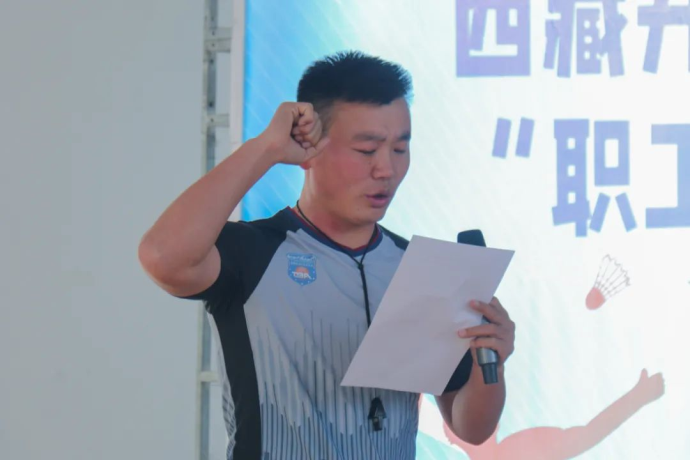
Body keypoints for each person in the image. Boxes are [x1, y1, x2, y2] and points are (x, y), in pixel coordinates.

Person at [138, 50, 516, 460]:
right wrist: (266, 147)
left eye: (400, 149)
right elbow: (162, 256)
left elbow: (470, 426)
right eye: (367, 150)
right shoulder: (255, 251)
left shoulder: (419, 269)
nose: (386, 170)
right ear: (308, 146)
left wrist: (491, 364)